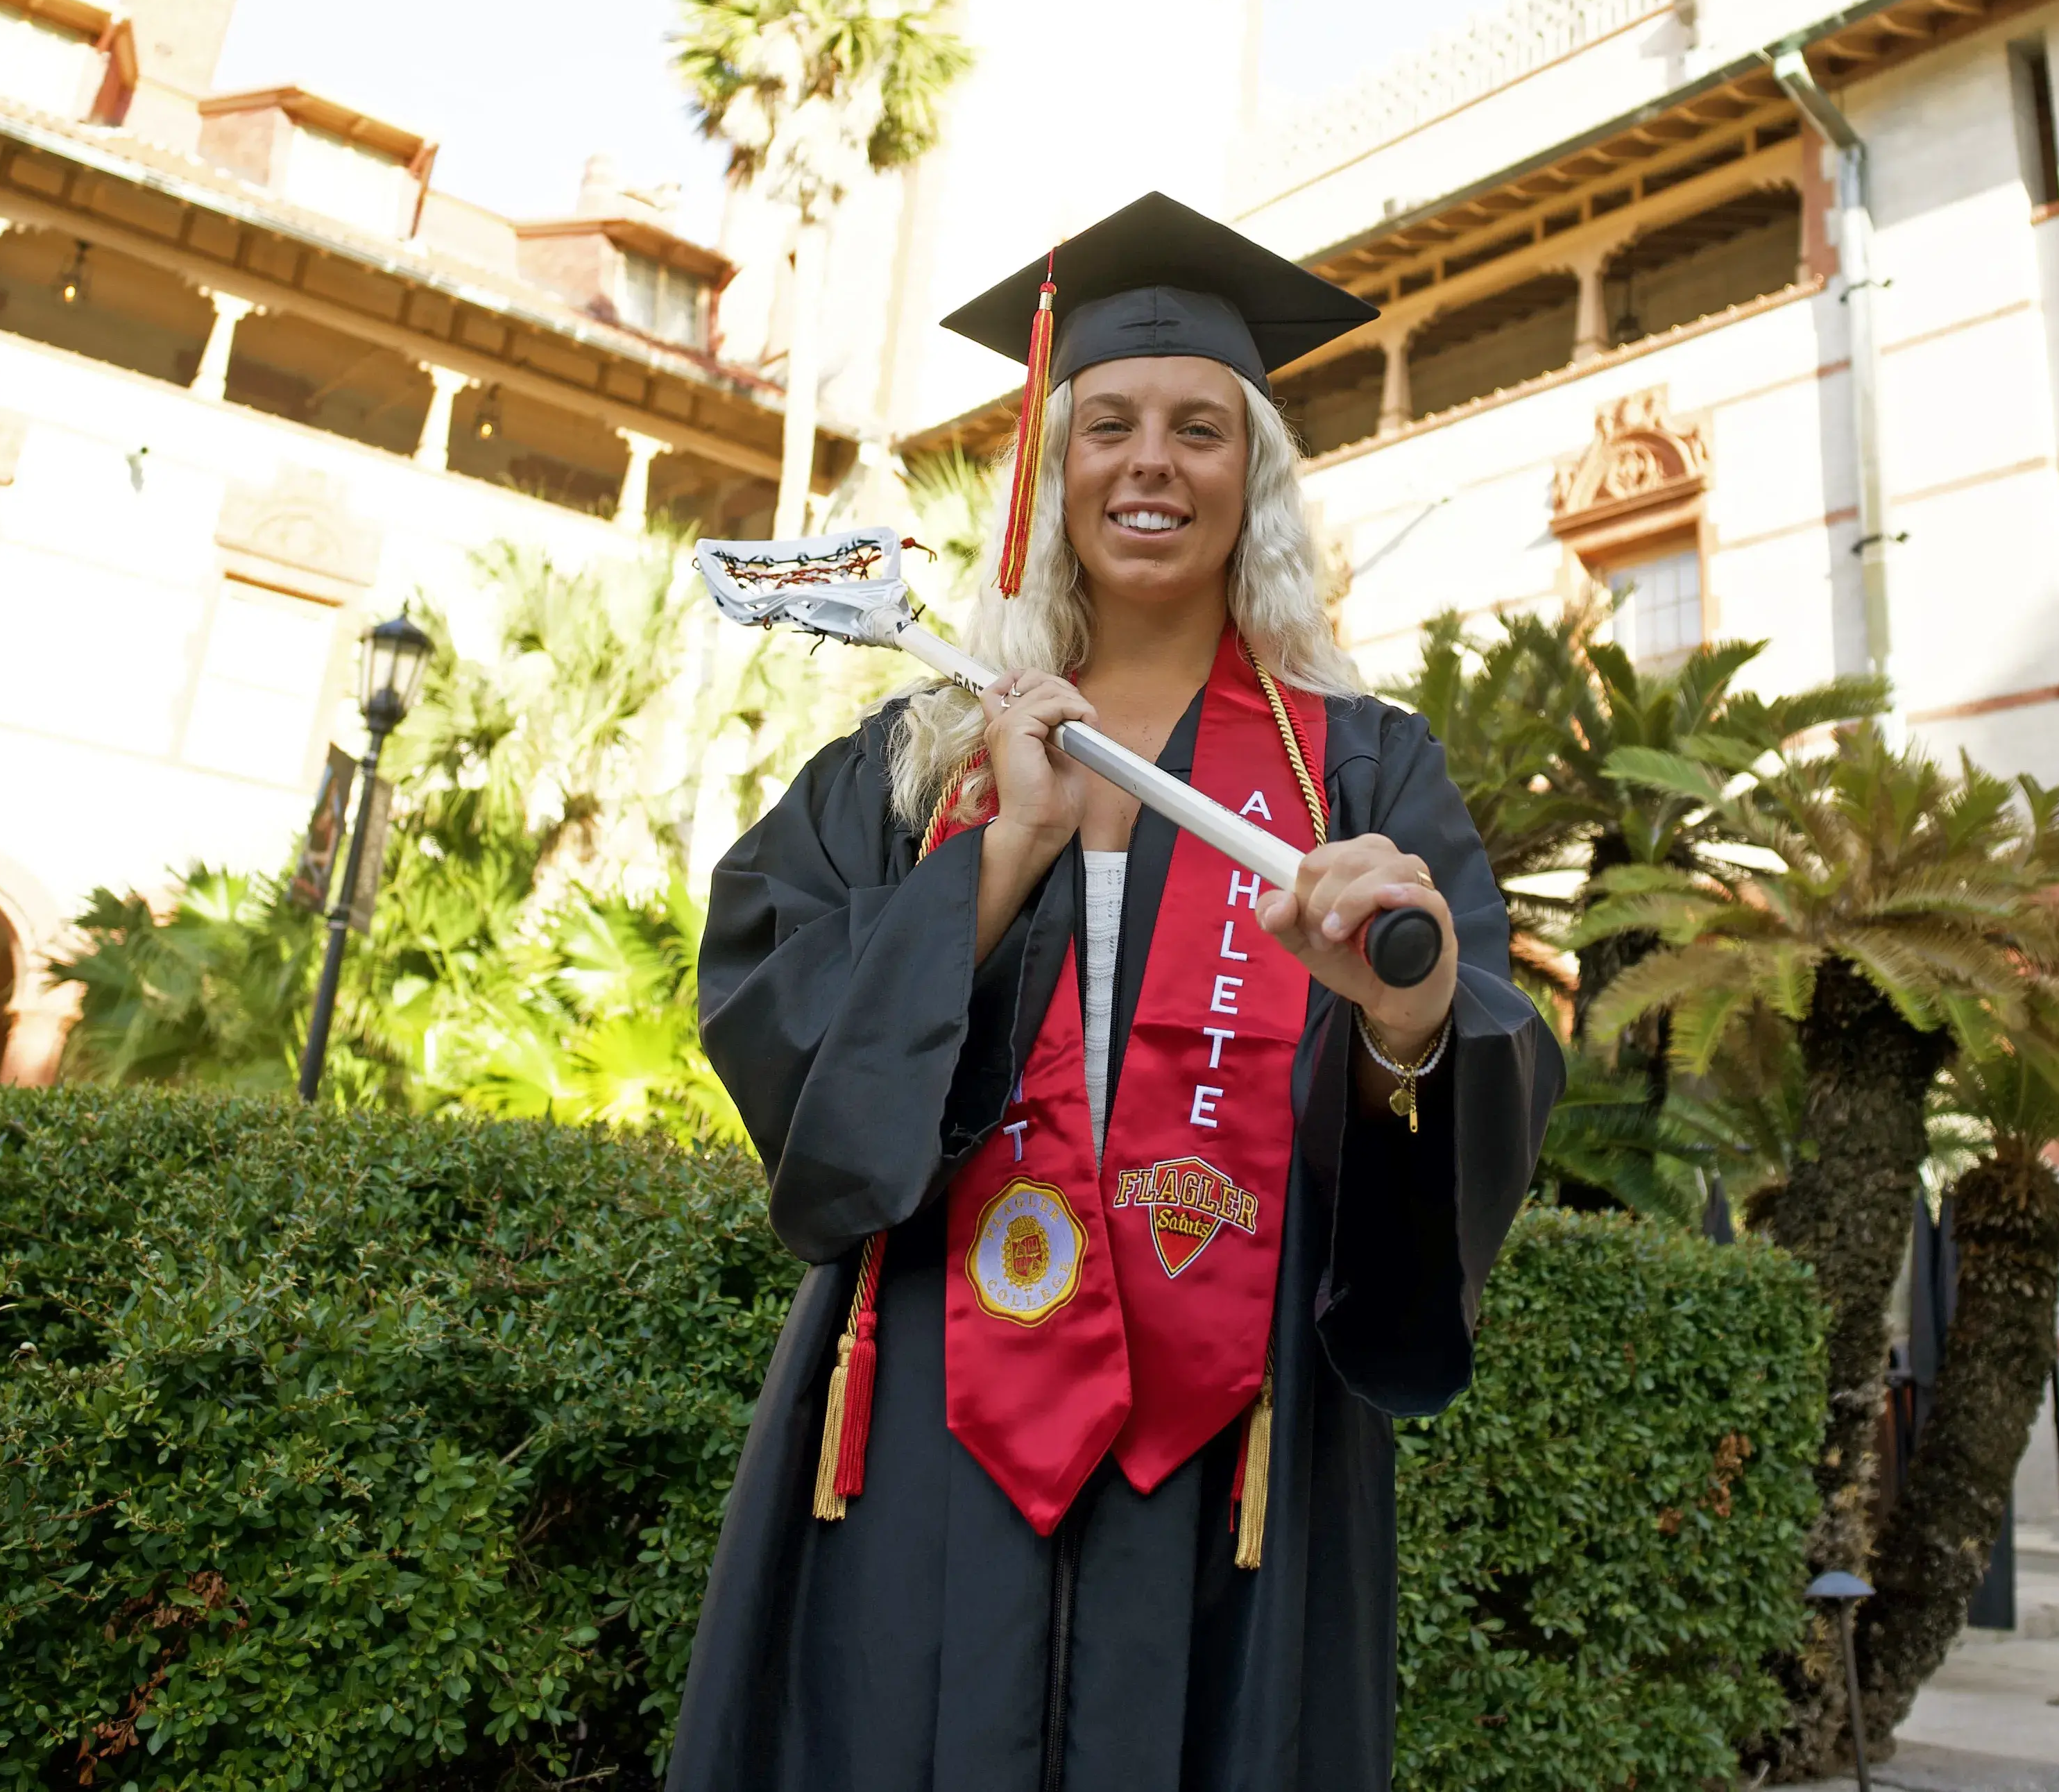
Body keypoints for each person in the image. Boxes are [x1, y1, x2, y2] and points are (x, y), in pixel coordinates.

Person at [667, 191, 1562, 1792]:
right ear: (1049, 471)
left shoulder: (1359, 768)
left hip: (1235, 1413)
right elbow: (771, 1012)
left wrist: (1402, 1028)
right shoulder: (919, 761)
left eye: (1200, 429)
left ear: (1256, 481)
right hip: (937, 1382)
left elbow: (1480, 1042)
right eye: (1109, 425)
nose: (1150, 462)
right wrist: (996, 858)